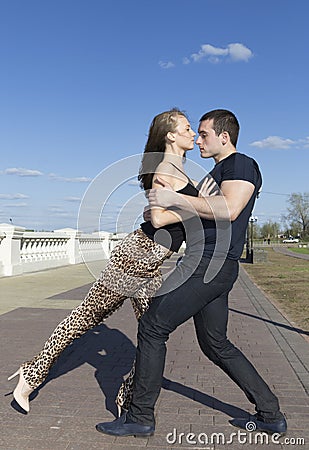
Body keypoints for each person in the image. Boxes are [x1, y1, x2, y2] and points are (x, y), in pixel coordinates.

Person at [96, 109, 287, 437]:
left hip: (208, 265)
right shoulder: (215, 173)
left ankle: (139, 417)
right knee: (215, 344)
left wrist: (171, 198)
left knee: (153, 327)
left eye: (204, 134)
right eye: (195, 134)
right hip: (212, 264)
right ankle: (270, 414)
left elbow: (229, 209)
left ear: (223, 137)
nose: (198, 140)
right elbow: (202, 216)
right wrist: (167, 212)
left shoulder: (240, 164)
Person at [8, 108, 205, 414]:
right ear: (170, 135)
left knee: (153, 334)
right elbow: (157, 216)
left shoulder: (179, 171)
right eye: (188, 128)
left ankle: (127, 399)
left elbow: (159, 214)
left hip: (151, 264)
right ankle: (30, 376)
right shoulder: (165, 170)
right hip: (135, 259)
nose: (193, 133)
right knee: (83, 320)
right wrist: (192, 210)